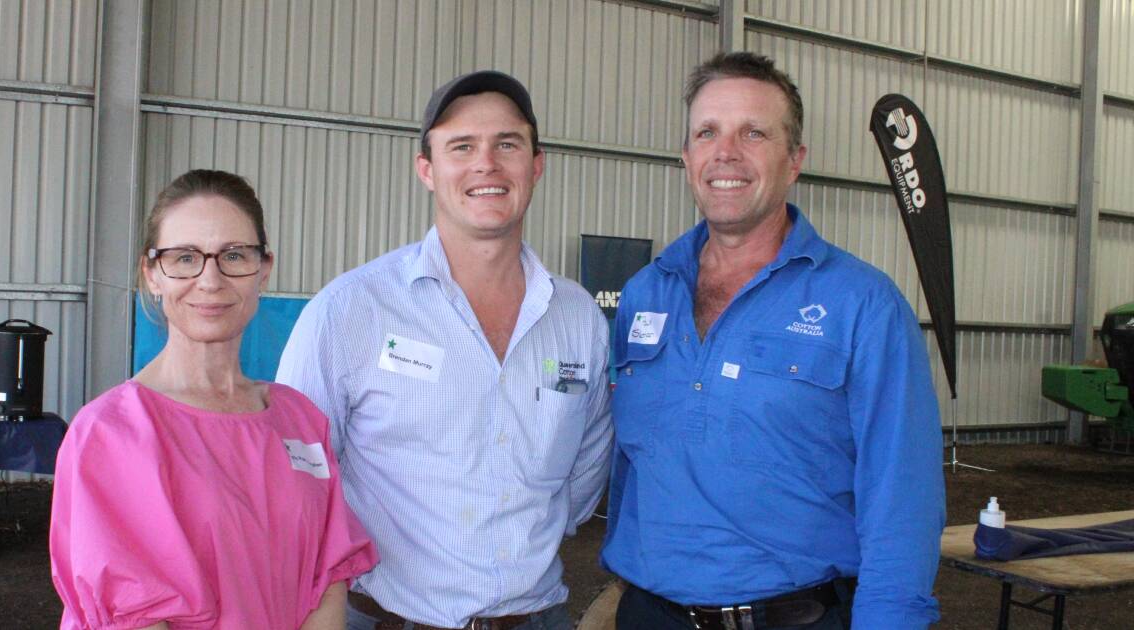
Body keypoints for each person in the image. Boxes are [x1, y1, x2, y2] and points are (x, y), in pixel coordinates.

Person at [600, 52, 946, 630]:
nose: (725, 152)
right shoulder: (645, 293)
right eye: (706, 132)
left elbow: (902, 501)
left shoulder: (863, 305)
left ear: (795, 161)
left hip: (792, 618)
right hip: (646, 614)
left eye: (753, 132)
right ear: (687, 158)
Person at [277, 71, 613, 630]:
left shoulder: (578, 320)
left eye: (507, 144)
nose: (487, 164)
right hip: (389, 618)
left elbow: (583, 480)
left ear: (536, 165)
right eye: (462, 147)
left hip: (539, 618)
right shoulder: (350, 310)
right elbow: (296, 478)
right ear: (427, 170)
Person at [50, 169, 378, 630]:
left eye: (235, 255)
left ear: (264, 269)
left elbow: (326, 580)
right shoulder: (109, 433)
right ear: (152, 274)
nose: (210, 279)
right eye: (185, 258)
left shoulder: (300, 420)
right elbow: (134, 615)